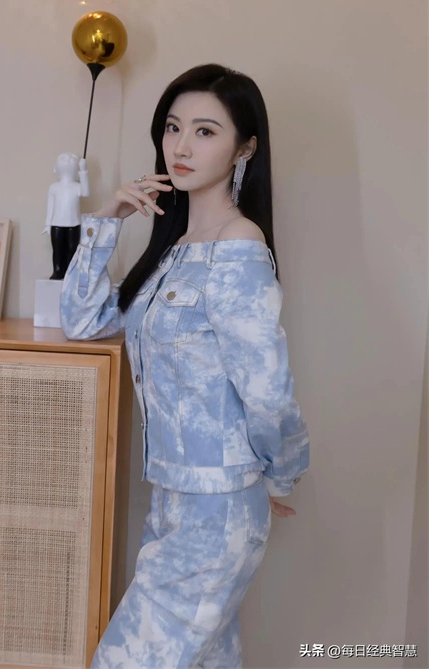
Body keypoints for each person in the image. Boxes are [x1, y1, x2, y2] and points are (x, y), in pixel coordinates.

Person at [60, 64, 310, 669]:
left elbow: (267, 389)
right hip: (172, 500)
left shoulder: (240, 248)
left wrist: (280, 476)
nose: (181, 146)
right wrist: (108, 219)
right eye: (173, 128)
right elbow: (83, 320)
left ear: (244, 148)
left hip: (217, 508)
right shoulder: (171, 251)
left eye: (205, 131)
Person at [42, 152, 90, 279]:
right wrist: (47, 224)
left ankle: (70, 272)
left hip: (74, 224)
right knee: (58, 250)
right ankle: (58, 271)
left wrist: (83, 170)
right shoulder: (53, 187)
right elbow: (50, 207)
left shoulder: (77, 186)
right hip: (56, 224)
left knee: (72, 249)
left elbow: (85, 192)